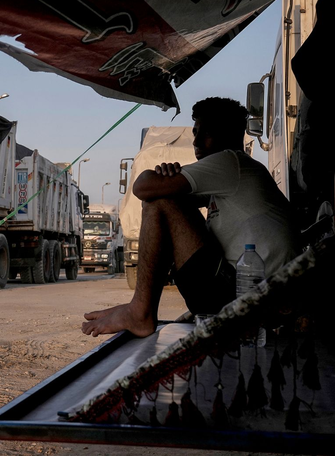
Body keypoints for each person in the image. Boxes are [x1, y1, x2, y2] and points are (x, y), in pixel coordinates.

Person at [82, 97, 298, 338]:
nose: (196, 141)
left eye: (206, 133)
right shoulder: (233, 176)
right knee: (166, 196)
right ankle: (139, 309)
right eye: (195, 132)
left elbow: (144, 188)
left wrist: (158, 178)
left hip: (249, 300)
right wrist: (166, 180)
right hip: (250, 294)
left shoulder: (230, 162)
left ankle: (140, 311)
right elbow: (172, 204)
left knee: (160, 200)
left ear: (230, 135)